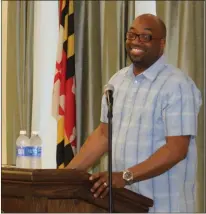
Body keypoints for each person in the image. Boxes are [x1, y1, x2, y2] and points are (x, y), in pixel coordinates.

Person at [66, 14, 202, 212]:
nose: (136, 41)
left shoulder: (178, 86)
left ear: (161, 44)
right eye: (132, 35)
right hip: (123, 204)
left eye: (145, 37)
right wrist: (63, 177)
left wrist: (125, 176)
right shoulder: (117, 81)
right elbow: (104, 135)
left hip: (165, 206)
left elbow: (176, 149)